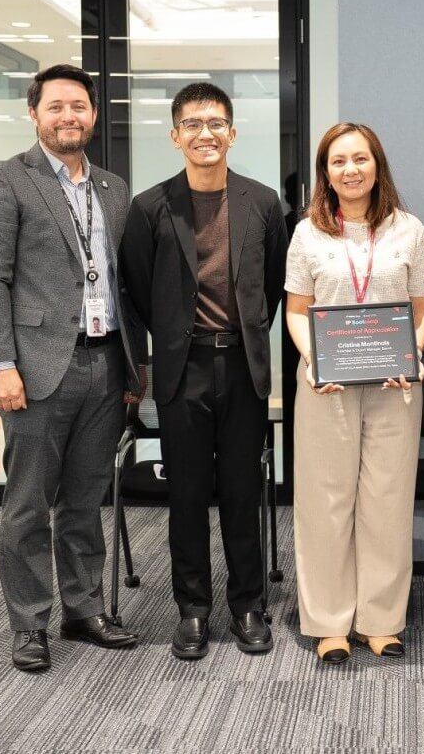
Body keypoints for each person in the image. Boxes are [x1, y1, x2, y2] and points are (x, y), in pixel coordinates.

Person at [0, 63, 142, 672]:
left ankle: (83, 607)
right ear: (35, 113)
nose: (69, 116)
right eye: (56, 107)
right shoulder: (5, 180)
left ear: (94, 115)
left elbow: (123, 281)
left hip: (106, 363)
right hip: (39, 368)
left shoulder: (113, 189)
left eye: (79, 107)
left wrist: (133, 369)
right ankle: (29, 623)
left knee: (83, 500)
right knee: (27, 503)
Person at [120, 82, 288, 658]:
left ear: (233, 133)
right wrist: (168, 340)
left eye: (216, 123)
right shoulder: (150, 207)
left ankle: (246, 605)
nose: (205, 133)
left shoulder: (263, 202)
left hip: (242, 365)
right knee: (187, 495)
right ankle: (192, 609)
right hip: (181, 369)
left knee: (242, 492)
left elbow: (269, 287)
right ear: (175, 136)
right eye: (192, 124)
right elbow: (140, 289)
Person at [285, 123, 424, 664]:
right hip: (326, 386)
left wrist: (412, 357)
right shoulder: (308, 234)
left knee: (387, 503)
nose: (350, 170)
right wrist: (314, 360)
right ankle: (328, 622)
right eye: (338, 161)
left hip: (394, 386)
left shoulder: (409, 230)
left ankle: (381, 620)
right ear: (326, 172)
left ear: (378, 165)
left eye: (360, 159)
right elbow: (296, 312)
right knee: (325, 503)